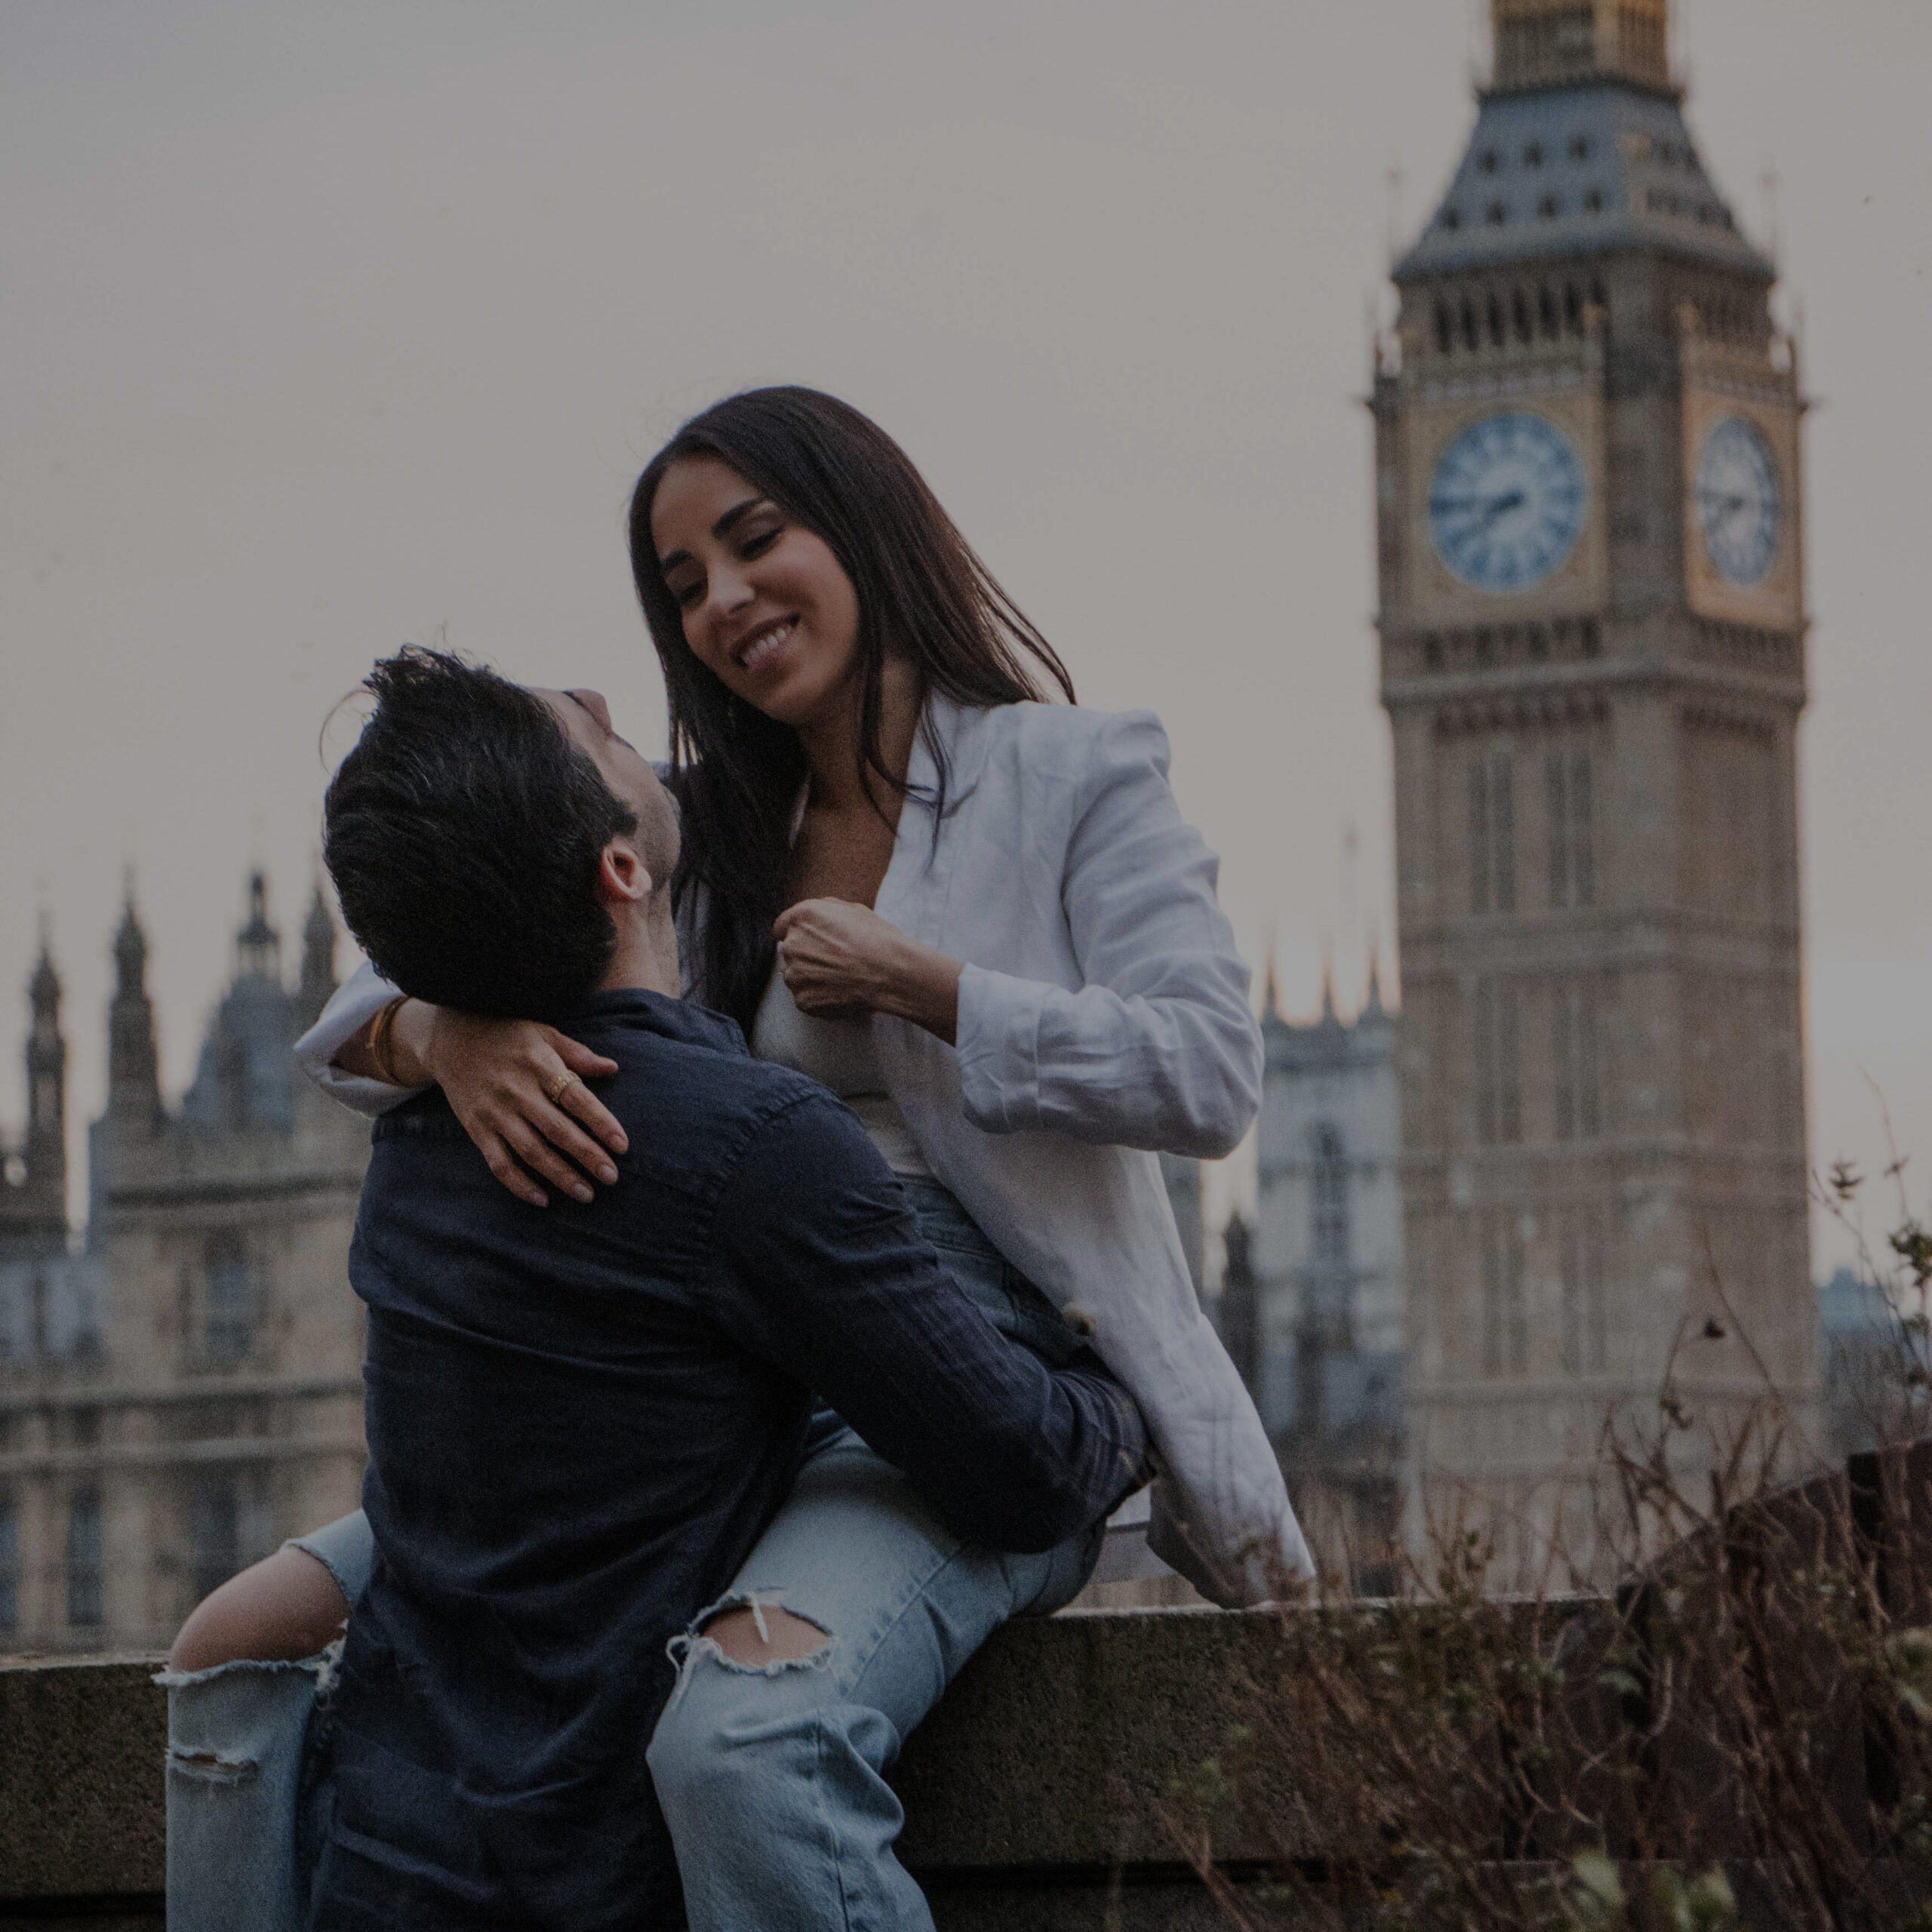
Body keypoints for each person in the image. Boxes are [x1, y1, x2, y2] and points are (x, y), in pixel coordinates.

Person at [176, 387, 1310, 1932]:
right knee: (237, 1636)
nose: (721, 599)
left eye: (752, 541)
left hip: (973, 1366)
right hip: (717, 1370)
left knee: (743, 1740)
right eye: (681, 581)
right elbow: (418, 941)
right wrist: (440, 1034)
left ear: (868, 525)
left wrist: (934, 987)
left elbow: (1205, 1067)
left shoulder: (1071, 770)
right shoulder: (705, 824)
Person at [234, 646, 1147, 1928]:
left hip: (385, 1885)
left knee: (223, 1641)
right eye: (594, 734)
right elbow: (1019, 1469)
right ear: (619, 869)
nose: (616, 706)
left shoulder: (421, 1145)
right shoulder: (747, 1146)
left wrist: (431, 1029)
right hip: (592, 1896)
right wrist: (1128, 1391)